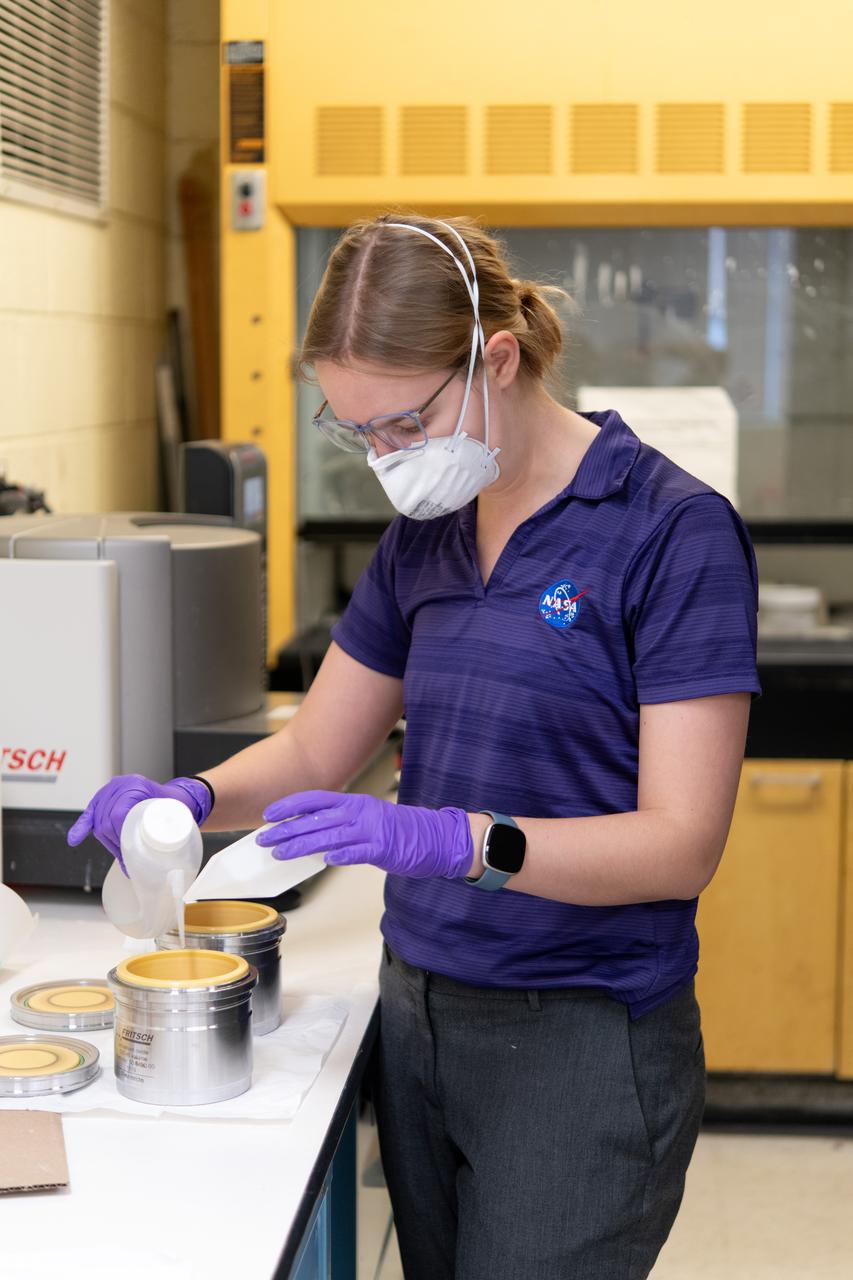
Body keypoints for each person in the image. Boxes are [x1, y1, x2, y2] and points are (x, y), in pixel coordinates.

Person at [69, 214, 760, 1278]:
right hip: (419, 1009)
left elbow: (680, 845)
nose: (385, 457)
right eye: (357, 431)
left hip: (579, 1030)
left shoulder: (669, 529)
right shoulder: (426, 534)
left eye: (399, 421)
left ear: (496, 356)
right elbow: (312, 750)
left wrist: (457, 839)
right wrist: (189, 798)